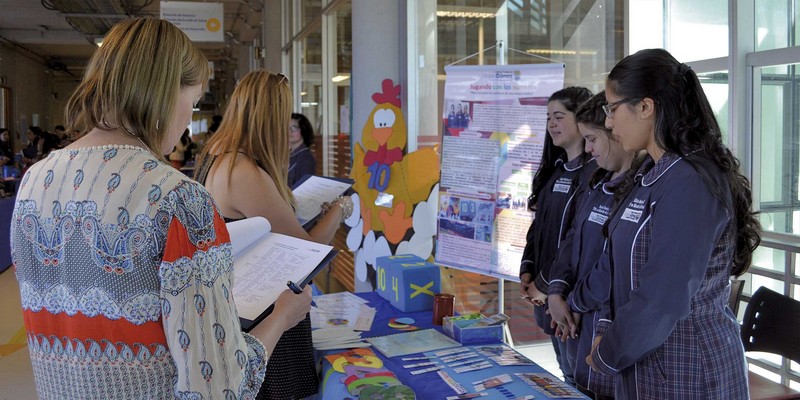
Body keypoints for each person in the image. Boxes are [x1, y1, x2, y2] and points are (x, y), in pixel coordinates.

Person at [10, 18, 311, 399]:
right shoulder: (178, 199)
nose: (188, 120)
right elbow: (220, 385)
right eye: (193, 101)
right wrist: (283, 316)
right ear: (166, 91)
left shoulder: (35, 181)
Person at [585, 48, 761, 398]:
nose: (607, 122)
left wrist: (609, 352)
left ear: (646, 107)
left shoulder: (689, 181)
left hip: (690, 370)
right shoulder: (649, 173)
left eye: (612, 108)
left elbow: (663, 294)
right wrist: (608, 333)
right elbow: (619, 265)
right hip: (644, 364)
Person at [194, 69, 353, 399]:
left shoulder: (219, 158)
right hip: (267, 315)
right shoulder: (243, 171)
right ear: (272, 116)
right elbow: (305, 250)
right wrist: (340, 208)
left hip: (246, 306)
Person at [545, 91, 639, 399]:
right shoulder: (597, 181)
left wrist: (570, 304)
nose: (589, 149)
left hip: (601, 325)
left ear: (615, 135)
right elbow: (571, 240)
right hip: (577, 321)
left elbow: (613, 267)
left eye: (593, 139)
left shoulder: (640, 190)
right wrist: (557, 291)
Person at [519, 86, 595, 388]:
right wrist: (528, 268)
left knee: (580, 380)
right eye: (548, 117)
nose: (551, 124)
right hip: (546, 292)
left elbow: (577, 241)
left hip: (572, 297)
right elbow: (539, 227)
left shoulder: (595, 174)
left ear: (582, 119)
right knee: (565, 376)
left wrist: (547, 283)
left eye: (559, 116)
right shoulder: (556, 171)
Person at [287, 112, 317, 187]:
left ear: (304, 129)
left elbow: (304, 187)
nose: (289, 132)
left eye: (294, 128)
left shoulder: (306, 157)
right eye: (287, 128)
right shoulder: (289, 154)